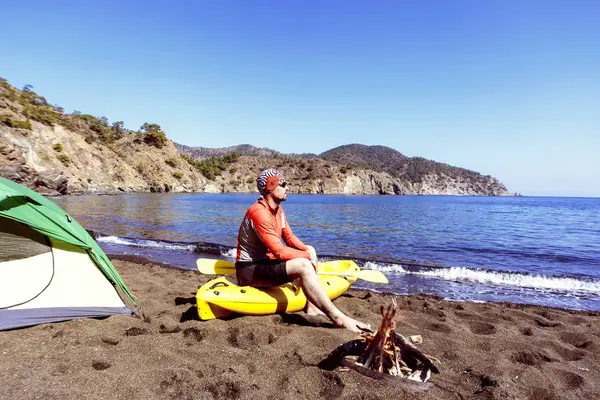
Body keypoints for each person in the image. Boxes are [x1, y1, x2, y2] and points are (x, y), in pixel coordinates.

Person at [235, 168, 370, 333]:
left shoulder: (278, 211)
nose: (287, 188)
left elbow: (290, 238)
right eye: (283, 184)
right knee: (304, 265)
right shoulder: (259, 213)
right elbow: (279, 252)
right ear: (271, 187)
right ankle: (338, 318)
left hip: (264, 263)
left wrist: (309, 250)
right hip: (249, 270)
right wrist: (307, 257)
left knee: (308, 252)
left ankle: (312, 307)